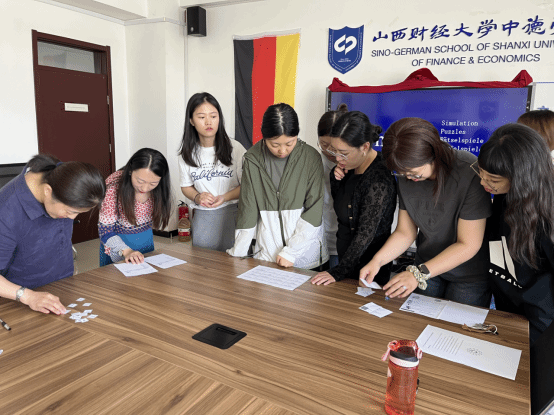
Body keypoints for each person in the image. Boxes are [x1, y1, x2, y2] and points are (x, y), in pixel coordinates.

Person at [360, 117, 493, 307]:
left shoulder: (468, 171)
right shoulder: (405, 172)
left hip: (468, 275)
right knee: (417, 321)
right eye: (402, 173)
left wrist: (418, 274)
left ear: (433, 155)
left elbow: (468, 244)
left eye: (413, 172)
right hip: (425, 265)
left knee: (456, 324)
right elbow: (405, 232)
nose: (408, 177)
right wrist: (377, 261)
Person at [477, 123, 554, 344]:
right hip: (507, 307)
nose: (483, 182)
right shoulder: (505, 194)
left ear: (522, 177)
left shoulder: (547, 212)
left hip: (540, 321)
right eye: (480, 172)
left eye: (493, 180)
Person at [0, 155, 105, 314]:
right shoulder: (6, 210)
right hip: (19, 301)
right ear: (47, 191)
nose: (72, 218)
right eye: (70, 211)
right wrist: (27, 296)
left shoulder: (63, 178)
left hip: (62, 288)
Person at [227, 103, 328, 269]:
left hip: (306, 258)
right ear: (264, 137)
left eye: (289, 143)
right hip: (268, 256)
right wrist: (238, 254)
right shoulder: (252, 159)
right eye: (275, 144)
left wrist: (291, 252)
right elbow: (247, 211)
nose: (282, 150)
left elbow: (314, 210)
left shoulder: (310, 157)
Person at [311, 111, 397, 286]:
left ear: (364, 147)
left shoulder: (379, 179)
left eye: (343, 153)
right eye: (334, 151)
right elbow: (341, 208)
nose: (337, 158)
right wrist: (335, 178)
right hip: (344, 260)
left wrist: (338, 271)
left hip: (369, 270)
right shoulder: (349, 166)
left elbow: (365, 234)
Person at [178, 92, 246, 251]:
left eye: (213, 116)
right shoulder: (186, 154)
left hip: (232, 212)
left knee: (233, 261)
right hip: (203, 216)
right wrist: (197, 196)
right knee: (203, 261)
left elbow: (247, 185)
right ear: (191, 121)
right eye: (201, 117)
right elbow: (186, 186)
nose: (208, 122)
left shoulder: (235, 149)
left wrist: (224, 197)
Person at [99, 148, 172, 266]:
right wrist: (126, 251)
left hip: (145, 242)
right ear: (130, 170)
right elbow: (105, 231)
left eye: (153, 184)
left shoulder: (160, 187)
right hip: (117, 247)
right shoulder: (113, 187)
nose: (145, 188)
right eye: (140, 181)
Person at [316, 103, 349, 269]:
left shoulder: (354, 165)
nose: (329, 151)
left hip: (341, 243)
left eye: (333, 146)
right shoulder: (314, 161)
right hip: (315, 240)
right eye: (323, 144)